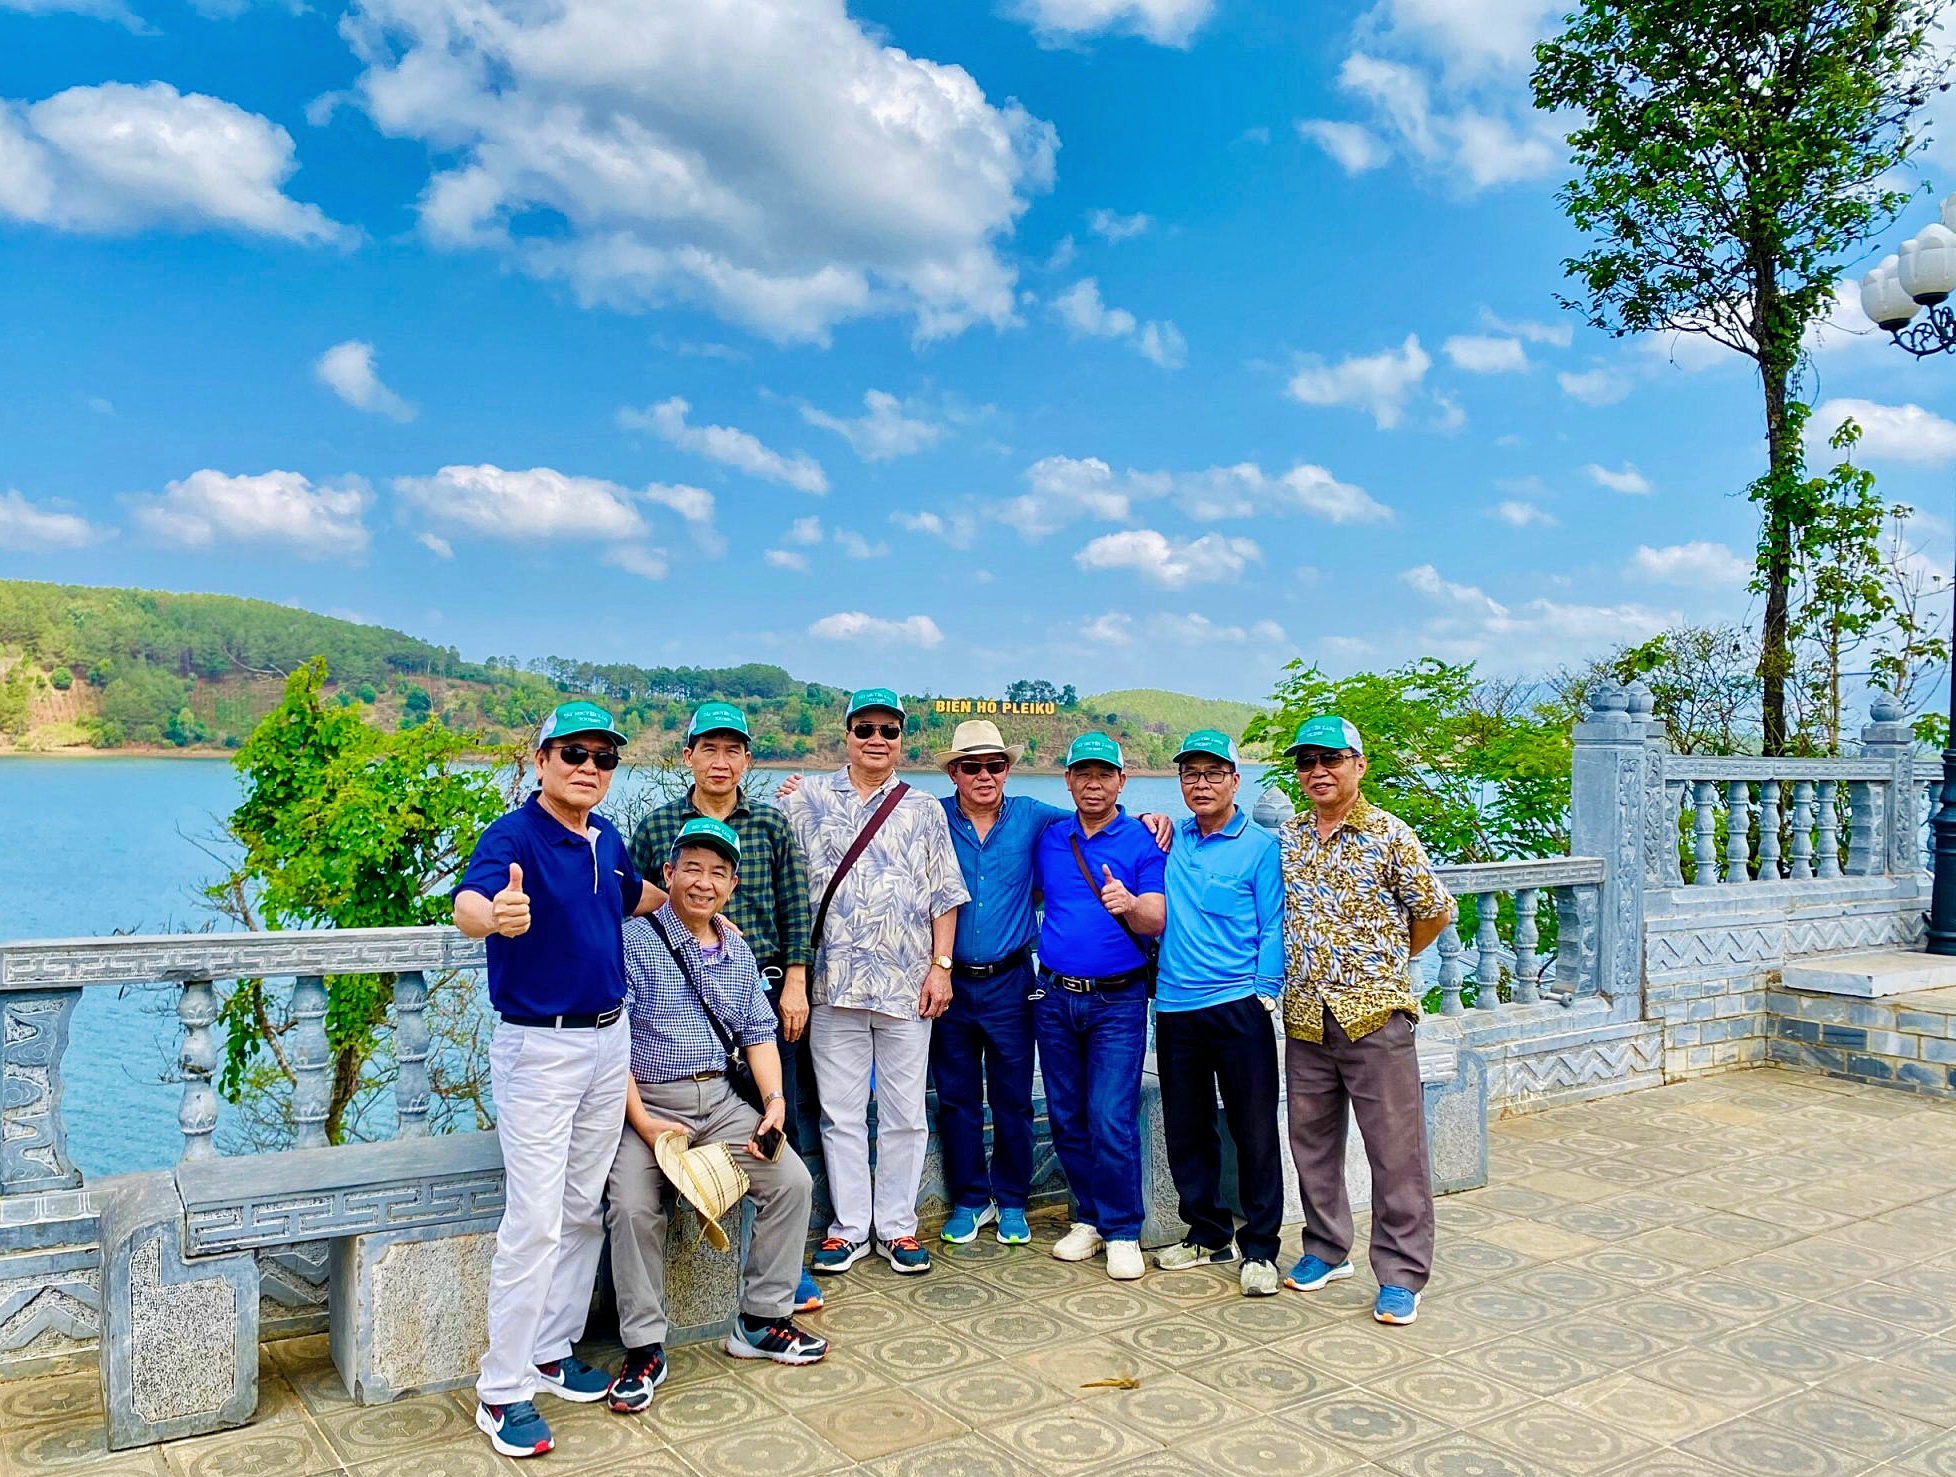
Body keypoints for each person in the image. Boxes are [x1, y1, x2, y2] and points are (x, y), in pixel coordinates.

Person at [452, 701, 671, 1459]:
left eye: (603, 757)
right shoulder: (512, 836)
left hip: (608, 1041)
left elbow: (633, 895)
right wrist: (496, 916)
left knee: (582, 1207)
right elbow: (470, 904)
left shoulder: (605, 837)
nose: (588, 766)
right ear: (542, 759)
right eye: (573, 752)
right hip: (539, 1050)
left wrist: (696, 904)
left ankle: (550, 1350)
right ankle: (500, 1387)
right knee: (536, 1219)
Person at [602, 816, 826, 1413]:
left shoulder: (735, 947)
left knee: (792, 1181)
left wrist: (773, 1104)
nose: (704, 883)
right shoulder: (632, 939)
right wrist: (643, 1124)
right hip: (646, 1104)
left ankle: (760, 1319)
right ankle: (643, 1347)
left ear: (732, 885)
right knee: (631, 1206)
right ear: (668, 873)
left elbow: (757, 1033)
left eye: (718, 873)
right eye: (693, 869)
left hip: (721, 1101)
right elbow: (611, 1042)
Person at [931, 720, 1175, 1248]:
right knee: (959, 1098)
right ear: (954, 772)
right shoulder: (931, 816)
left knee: (1023, 1098)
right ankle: (973, 1199)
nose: (984, 775)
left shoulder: (1035, 818)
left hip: (1019, 980)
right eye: (971, 766)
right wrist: (801, 792)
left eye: (995, 765)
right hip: (954, 979)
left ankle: (1020, 1201)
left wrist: (1152, 819)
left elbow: (1101, 821)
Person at [628, 700, 824, 1315]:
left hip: (758, 994)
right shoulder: (659, 826)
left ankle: (785, 1275)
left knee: (778, 1127)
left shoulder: (768, 823)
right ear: (688, 756)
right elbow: (632, 901)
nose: (720, 761)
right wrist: (697, 923)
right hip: (673, 995)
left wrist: (796, 982)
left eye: (732, 750)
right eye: (708, 749)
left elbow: (796, 905)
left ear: (747, 760)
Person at [781, 688, 967, 1277]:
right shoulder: (805, 798)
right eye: (865, 729)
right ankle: (848, 1229)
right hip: (832, 984)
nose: (877, 740)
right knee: (839, 1114)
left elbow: (944, 893)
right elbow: (771, 863)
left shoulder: (923, 808)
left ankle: (897, 1227)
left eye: (889, 730)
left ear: (901, 740)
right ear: (847, 736)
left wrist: (942, 966)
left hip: (906, 985)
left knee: (905, 1114)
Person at [1276, 714, 1454, 1327]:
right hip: (1306, 1015)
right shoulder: (1290, 837)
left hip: (1375, 1015)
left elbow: (1433, 912)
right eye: (1307, 762)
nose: (1317, 772)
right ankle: (1327, 1249)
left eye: (1330, 759)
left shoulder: (1390, 834)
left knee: (1395, 1150)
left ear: (1358, 764)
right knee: (1311, 1142)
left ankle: (1402, 1273)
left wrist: (1383, 961)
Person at [1152, 729, 1287, 1296]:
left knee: (1253, 1130)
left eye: (1213, 774)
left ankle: (1261, 1248)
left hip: (1237, 1007)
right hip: (1175, 1005)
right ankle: (1207, 1233)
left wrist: (1265, 990)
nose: (1201, 784)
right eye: (1191, 774)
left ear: (1235, 779)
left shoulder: (1260, 847)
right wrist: (1149, 821)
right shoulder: (1171, 839)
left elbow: (1274, 923)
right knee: (1187, 1129)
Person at [1031, 732, 1166, 1282]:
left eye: (1104, 774)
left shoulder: (1142, 840)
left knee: (1110, 1116)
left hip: (1118, 1000)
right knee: (1066, 1115)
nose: (1094, 784)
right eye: (1083, 773)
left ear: (1122, 781)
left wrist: (1129, 903)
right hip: (1054, 996)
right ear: (1067, 780)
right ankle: (1088, 1217)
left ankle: (1123, 1229)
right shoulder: (1051, 837)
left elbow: (1156, 917)